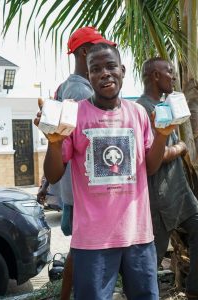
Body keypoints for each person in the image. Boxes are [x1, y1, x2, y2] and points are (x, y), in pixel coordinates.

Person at [42, 43, 176, 299]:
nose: (104, 73)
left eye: (111, 66)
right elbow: (53, 175)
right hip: (93, 240)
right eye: (96, 69)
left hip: (137, 234)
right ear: (89, 76)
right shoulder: (74, 115)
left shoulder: (137, 113)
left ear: (123, 71)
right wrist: (54, 142)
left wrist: (160, 138)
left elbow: (149, 167)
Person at [136, 57, 198, 299]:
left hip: (178, 190)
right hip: (158, 196)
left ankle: (195, 291)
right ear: (155, 76)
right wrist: (179, 147)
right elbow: (151, 158)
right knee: (153, 258)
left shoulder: (163, 104)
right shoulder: (143, 109)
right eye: (169, 72)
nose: (174, 76)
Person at [36, 26, 116, 300]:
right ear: (84, 52)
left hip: (74, 188)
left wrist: (47, 184)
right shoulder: (81, 91)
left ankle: (66, 296)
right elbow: (97, 141)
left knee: (78, 250)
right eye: (97, 49)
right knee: (87, 253)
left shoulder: (65, 87)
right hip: (85, 189)